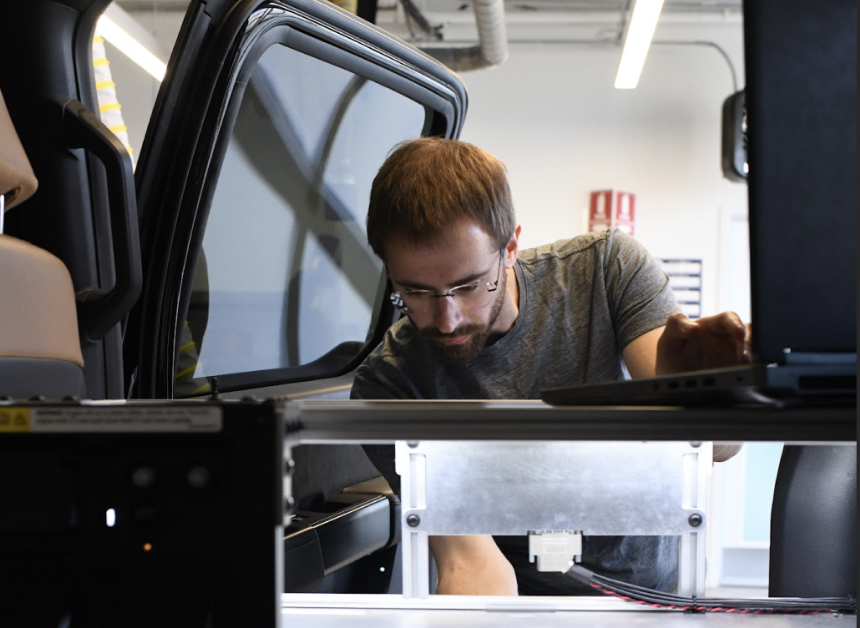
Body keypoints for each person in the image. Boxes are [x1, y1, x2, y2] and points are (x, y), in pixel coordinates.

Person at [350, 136, 748, 596]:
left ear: (511, 246)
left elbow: (714, 448)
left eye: (469, 285)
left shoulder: (607, 270)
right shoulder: (389, 382)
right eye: (416, 292)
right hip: (520, 606)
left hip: (650, 600)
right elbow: (469, 562)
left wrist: (711, 400)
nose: (448, 318)